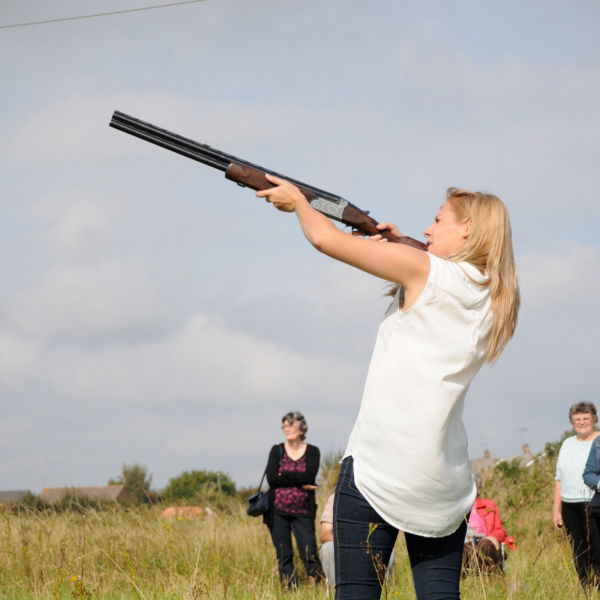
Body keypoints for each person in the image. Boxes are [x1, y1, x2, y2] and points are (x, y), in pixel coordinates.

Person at [257, 179, 519, 600]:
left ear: (468, 228)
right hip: (444, 481)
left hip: (379, 468)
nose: (429, 230)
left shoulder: (425, 270)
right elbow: (435, 281)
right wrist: (399, 245)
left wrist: (298, 202)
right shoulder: (494, 294)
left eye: (438, 220)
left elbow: (324, 238)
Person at [263, 411, 325, 588]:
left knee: (309, 552)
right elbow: (272, 479)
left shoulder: (312, 451)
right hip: (277, 512)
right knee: (284, 554)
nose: (286, 429)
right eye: (284, 425)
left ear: (301, 428)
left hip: (303, 512)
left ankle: (319, 587)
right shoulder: (277, 450)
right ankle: (290, 590)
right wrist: (301, 482)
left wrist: (285, 475)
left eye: (290, 425)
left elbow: (310, 475)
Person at [554, 402, 600, 588]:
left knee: (597, 547)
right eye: (577, 419)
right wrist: (556, 510)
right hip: (569, 503)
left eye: (586, 419)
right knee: (579, 549)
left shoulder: (598, 442)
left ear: (594, 420)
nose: (581, 422)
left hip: (594, 502)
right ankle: (585, 587)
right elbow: (558, 478)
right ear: (572, 422)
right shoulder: (567, 444)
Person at [463, 473, 509, 573]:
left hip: (484, 541)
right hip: (465, 544)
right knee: (463, 549)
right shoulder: (458, 508)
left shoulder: (488, 505)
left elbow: (500, 530)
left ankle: (495, 572)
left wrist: (493, 537)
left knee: (485, 545)